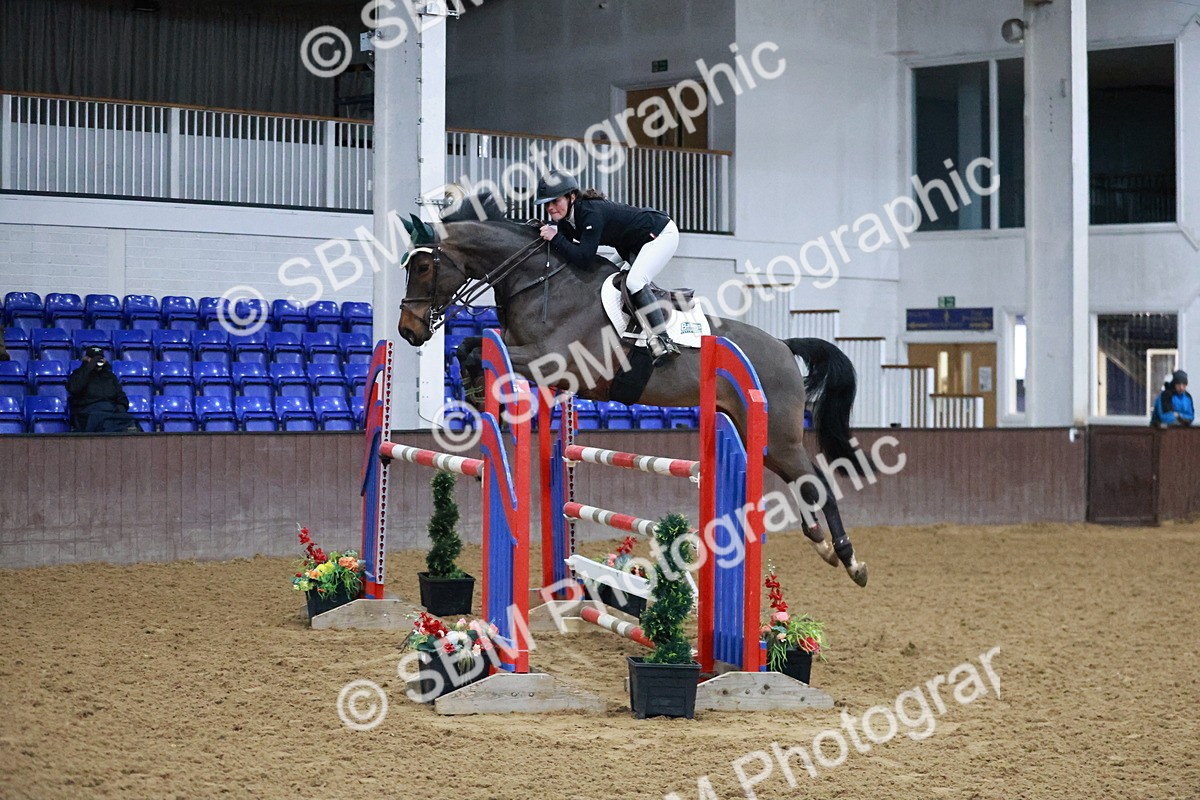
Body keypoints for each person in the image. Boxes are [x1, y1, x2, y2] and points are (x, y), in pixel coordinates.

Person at [534, 170, 681, 365]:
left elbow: (584, 258)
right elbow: (567, 255)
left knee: (635, 282)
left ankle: (664, 341)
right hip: (630, 245)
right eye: (547, 204)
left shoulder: (590, 213)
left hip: (659, 233)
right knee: (606, 275)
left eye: (555, 201)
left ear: (572, 197)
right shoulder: (566, 221)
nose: (550, 208)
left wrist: (555, 238)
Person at [67, 346, 139, 432]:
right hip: (88, 412)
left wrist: (121, 408)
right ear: (87, 359)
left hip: (111, 411)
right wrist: (89, 367)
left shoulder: (110, 377)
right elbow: (73, 388)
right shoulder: (78, 374)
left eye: (100, 359)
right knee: (104, 422)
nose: (97, 362)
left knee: (131, 421)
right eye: (94, 359)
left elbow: (121, 397)